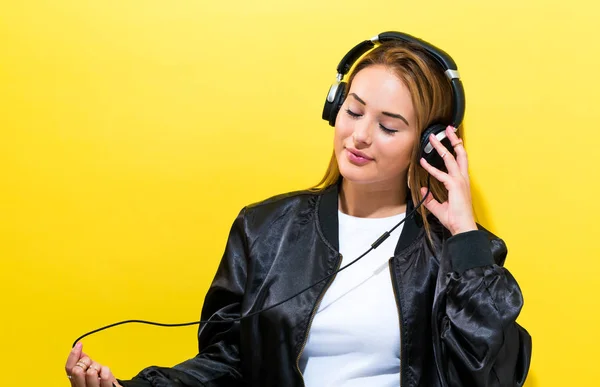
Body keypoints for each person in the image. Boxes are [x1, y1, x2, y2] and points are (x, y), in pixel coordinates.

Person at [65, 32, 532, 387]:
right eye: (353, 111)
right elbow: (227, 365)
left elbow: (493, 374)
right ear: (334, 107)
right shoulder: (265, 229)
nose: (359, 136)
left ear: (430, 145)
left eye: (389, 126)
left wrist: (465, 239)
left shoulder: (461, 252)